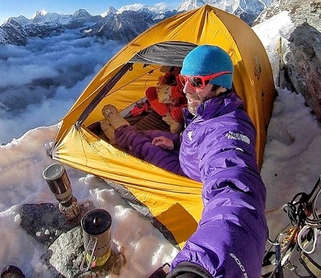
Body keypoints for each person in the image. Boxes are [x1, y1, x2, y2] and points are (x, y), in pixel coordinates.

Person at [101, 44, 267, 278]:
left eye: (197, 82)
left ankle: (120, 130)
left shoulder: (229, 129)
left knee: (146, 149)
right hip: (186, 152)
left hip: (183, 172)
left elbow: (234, 189)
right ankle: (124, 131)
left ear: (221, 85)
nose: (187, 89)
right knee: (156, 138)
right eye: (183, 79)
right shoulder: (209, 110)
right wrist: (177, 143)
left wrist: (201, 269)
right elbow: (200, 138)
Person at [145, 67, 187, 134]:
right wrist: (165, 79)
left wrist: (175, 94)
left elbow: (188, 92)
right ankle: (169, 118)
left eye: (171, 69)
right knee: (150, 92)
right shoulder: (173, 70)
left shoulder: (187, 73)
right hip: (173, 97)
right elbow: (169, 75)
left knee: (178, 114)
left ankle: (171, 113)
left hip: (186, 100)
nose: (170, 71)